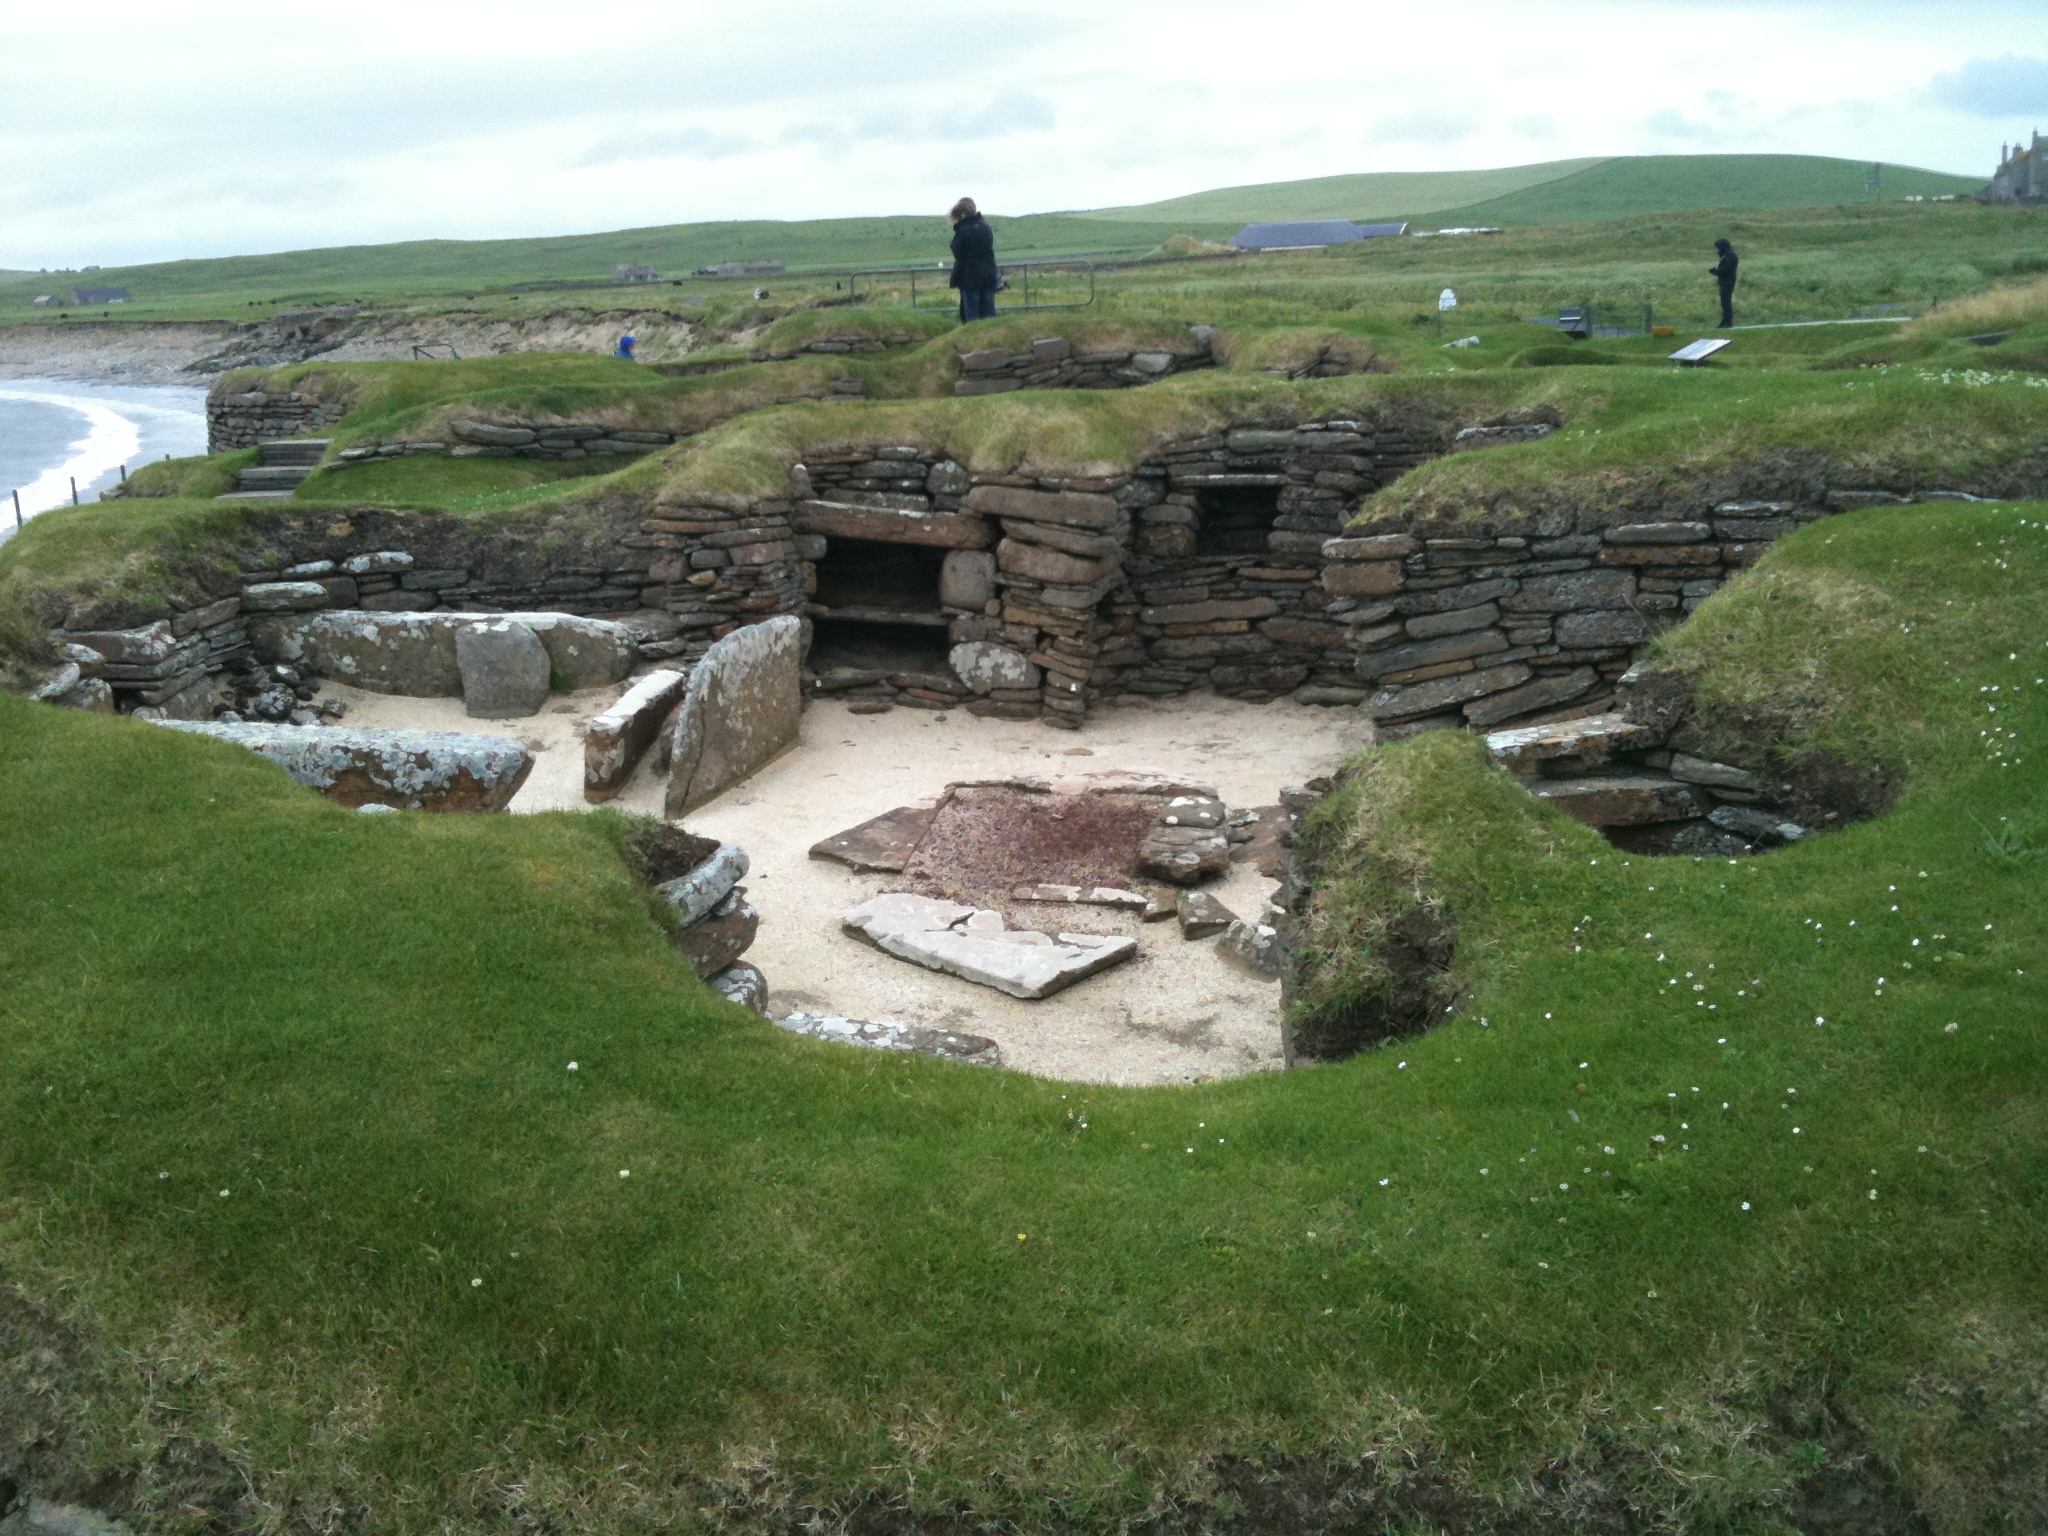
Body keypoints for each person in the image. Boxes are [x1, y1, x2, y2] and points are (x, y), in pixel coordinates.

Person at [948, 197, 998, 323]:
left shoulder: (963, 230)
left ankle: (974, 335)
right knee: (989, 312)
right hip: (988, 274)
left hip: (970, 277)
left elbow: (957, 252)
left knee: (972, 315)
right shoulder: (986, 227)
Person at [1710, 238, 1739, 328]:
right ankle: (1724, 321)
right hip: (1725, 281)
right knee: (1724, 302)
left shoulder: (1730, 255)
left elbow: (1726, 269)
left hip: (1728, 281)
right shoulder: (1727, 254)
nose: (1718, 249)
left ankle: (1728, 322)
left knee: (1726, 302)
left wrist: (1716, 272)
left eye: (1719, 247)